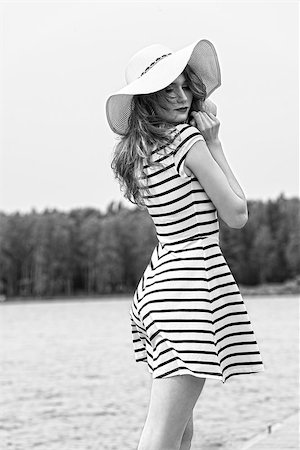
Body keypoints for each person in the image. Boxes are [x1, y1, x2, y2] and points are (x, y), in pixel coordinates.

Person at [106, 39, 264, 450]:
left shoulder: (139, 153)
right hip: (189, 291)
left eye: (183, 85)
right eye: (165, 90)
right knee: (161, 433)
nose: (180, 96)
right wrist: (214, 142)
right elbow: (237, 214)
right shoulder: (187, 142)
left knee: (179, 429)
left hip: (158, 289)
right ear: (146, 101)